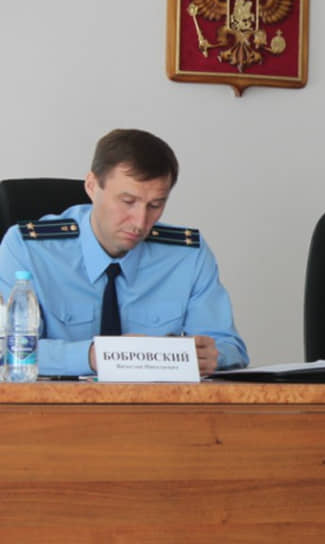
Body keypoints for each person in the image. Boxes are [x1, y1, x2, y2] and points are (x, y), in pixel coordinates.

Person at [0, 128, 248, 376]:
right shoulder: (26, 249)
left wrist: (213, 356)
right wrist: (95, 356)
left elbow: (230, 347)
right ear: (91, 186)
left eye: (155, 205)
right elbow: (6, 350)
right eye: (128, 202)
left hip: (159, 400)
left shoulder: (188, 256)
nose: (140, 222)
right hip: (53, 400)